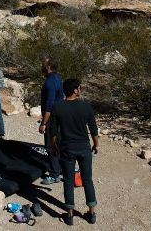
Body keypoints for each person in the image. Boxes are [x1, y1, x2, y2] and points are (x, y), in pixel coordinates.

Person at [49, 78, 99, 226]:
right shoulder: (86, 107)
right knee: (87, 179)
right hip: (84, 147)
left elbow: (53, 131)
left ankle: (69, 215)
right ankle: (91, 213)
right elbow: (93, 128)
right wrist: (96, 144)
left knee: (69, 181)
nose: (80, 89)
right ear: (75, 90)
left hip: (66, 148)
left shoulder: (57, 107)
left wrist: (54, 146)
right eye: (79, 87)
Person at [39, 57, 64, 185]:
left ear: (48, 66)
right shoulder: (58, 78)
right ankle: (61, 169)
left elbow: (49, 105)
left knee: (50, 145)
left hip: (52, 118)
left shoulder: (49, 83)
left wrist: (43, 123)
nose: (41, 65)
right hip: (60, 115)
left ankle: (54, 174)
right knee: (59, 143)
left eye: (43, 63)